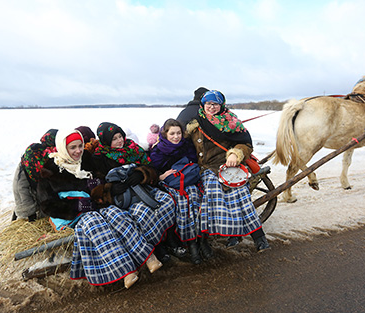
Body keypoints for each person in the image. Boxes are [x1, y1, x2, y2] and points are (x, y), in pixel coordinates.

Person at [36, 129, 162, 288]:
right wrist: (79, 206)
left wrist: (97, 190)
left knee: (116, 214)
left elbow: (103, 180)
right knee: (94, 222)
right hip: (70, 215)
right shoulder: (50, 170)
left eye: (80, 146)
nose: (78, 151)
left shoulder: (87, 160)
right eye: (73, 148)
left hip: (94, 204)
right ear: (63, 148)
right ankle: (126, 271)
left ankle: (148, 257)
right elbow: (47, 205)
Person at [186, 90, 271, 252]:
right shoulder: (195, 124)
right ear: (203, 105)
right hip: (207, 168)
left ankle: (259, 238)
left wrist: (235, 154)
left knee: (241, 194)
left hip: (229, 166)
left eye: (215, 104)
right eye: (208, 104)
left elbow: (246, 145)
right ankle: (231, 234)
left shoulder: (231, 122)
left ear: (221, 105)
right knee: (214, 192)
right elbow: (179, 143)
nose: (211, 107)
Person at [91, 122, 177, 262]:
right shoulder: (99, 158)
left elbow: (151, 167)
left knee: (167, 201)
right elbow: (98, 183)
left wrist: (142, 173)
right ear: (106, 141)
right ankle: (156, 247)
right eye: (114, 139)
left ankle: (170, 238)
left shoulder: (132, 148)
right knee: (143, 213)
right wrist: (110, 189)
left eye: (120, 136)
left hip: (144, 188)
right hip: (123, 197)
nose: (119, 141)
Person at [150, 118, 204, 264]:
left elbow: (193, 162)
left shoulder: (186, 146)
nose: (176, 137)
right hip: (169, 184)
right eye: (172, 133)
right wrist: (161, 176)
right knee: (181, 200)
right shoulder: (158, 150)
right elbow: (153, 172)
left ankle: (198, 240)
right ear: (165, 134)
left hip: (187, 180)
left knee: (194, 196)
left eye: (178, 133)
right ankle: (186, 241)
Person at [12, 129, 58, 221]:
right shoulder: (38, 154)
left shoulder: (39, 151)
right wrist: (30, 215)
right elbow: (23, 187)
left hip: (28, 188)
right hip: (26, 188)